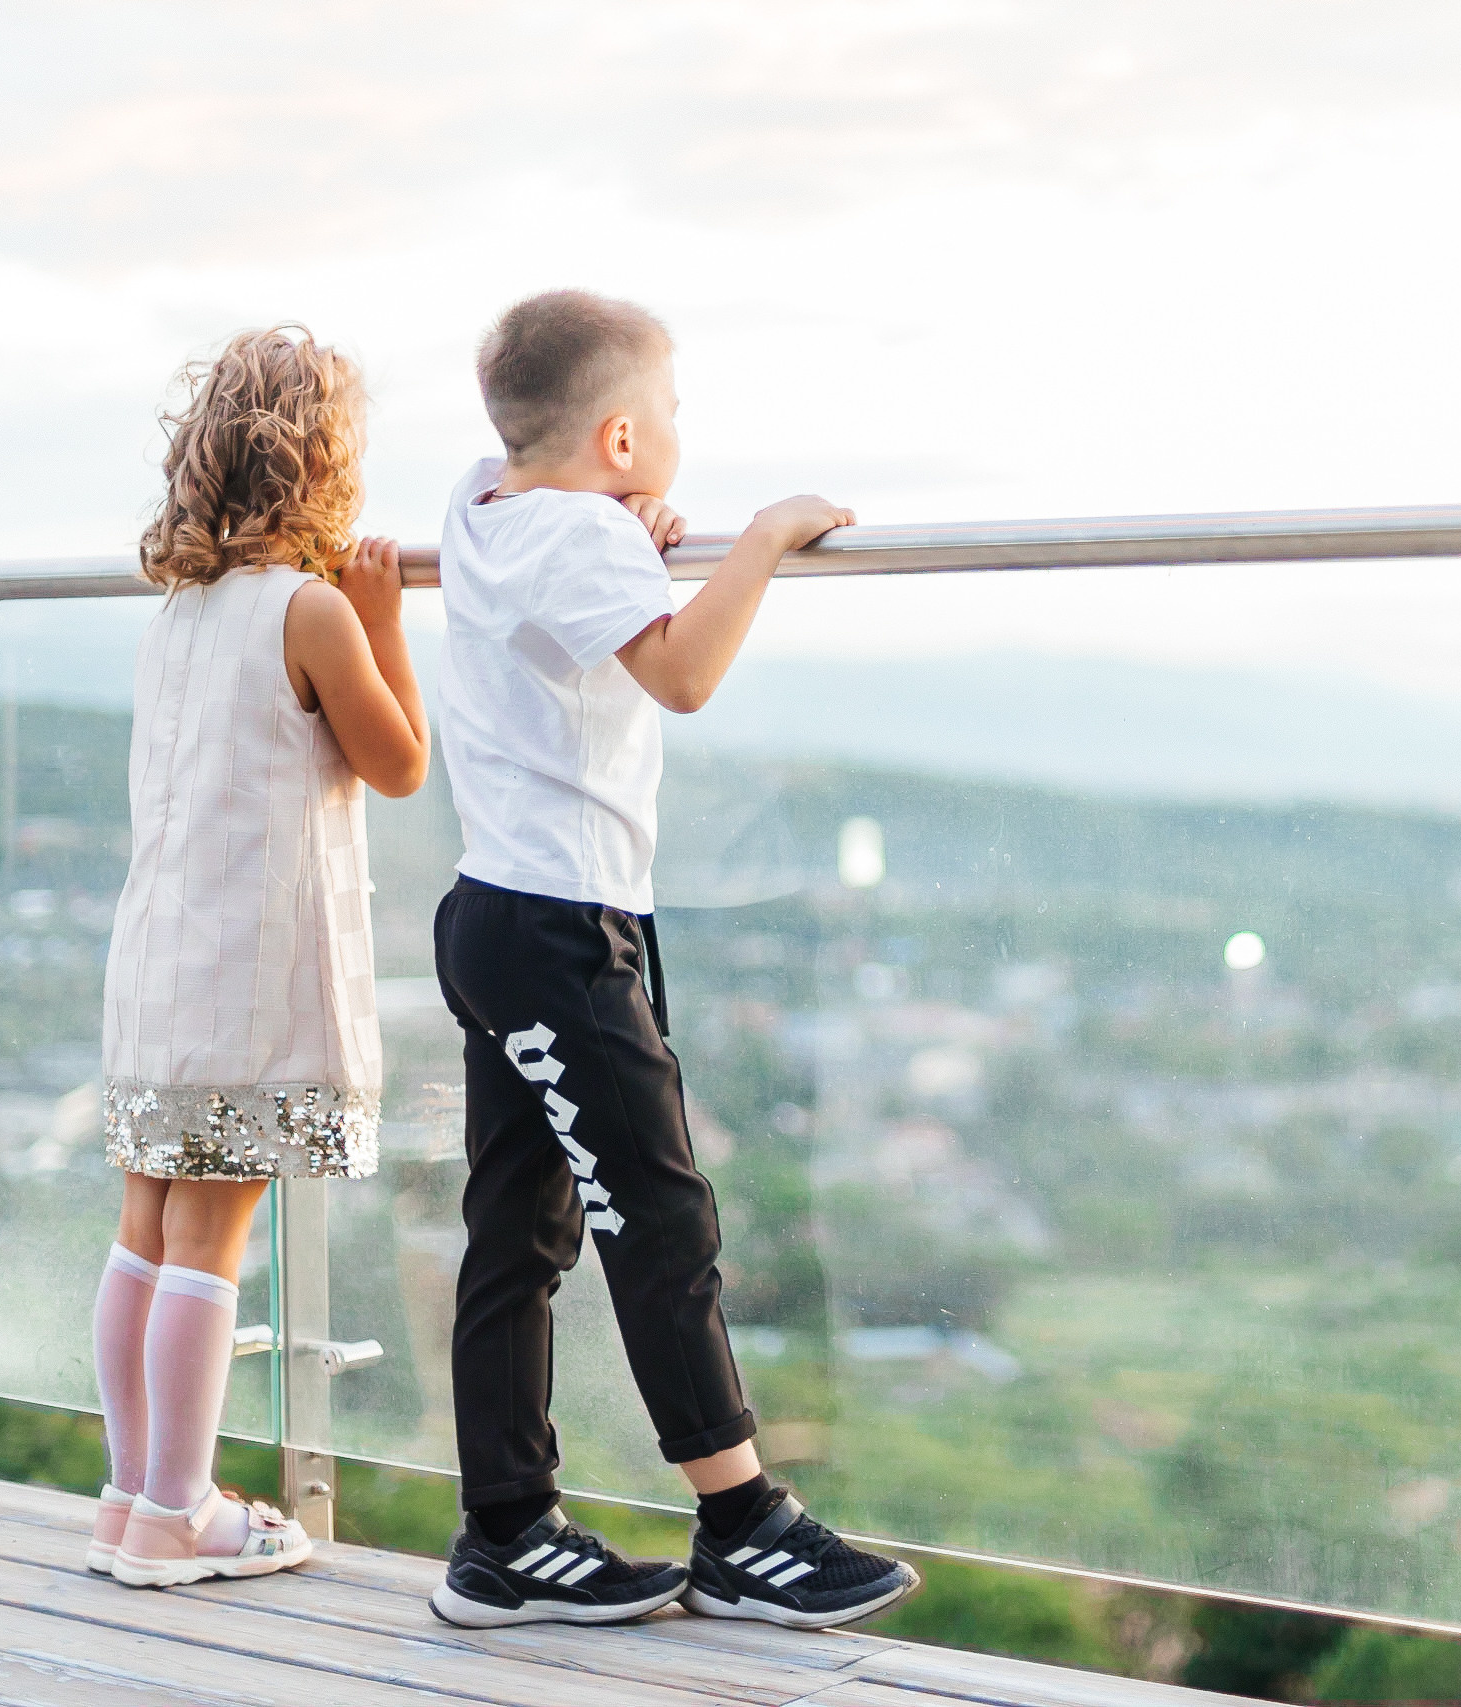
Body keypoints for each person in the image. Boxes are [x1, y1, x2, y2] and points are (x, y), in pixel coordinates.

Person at [428, 289, 918, 1631]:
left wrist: (619, 525)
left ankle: (507, 1532)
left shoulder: (485, 503)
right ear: (628, 438)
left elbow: (556, 543)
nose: (687, 431)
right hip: (555, 927)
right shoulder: (576, 531)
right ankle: (743, 1520)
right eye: (677, 413)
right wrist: (759, 538)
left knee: (521, 1231)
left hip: (504, 909)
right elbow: (683, 674)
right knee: (660, 1215)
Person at [90, 326, 429, 1588]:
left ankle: (130, 1494)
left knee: (145, 1229)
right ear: (325, 465)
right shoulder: (313, 610)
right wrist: (384, 622)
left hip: (154, 968)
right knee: (212, 1242)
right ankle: (180, 1514)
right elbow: (397, 763)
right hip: (243, 982)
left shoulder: (175, 616)